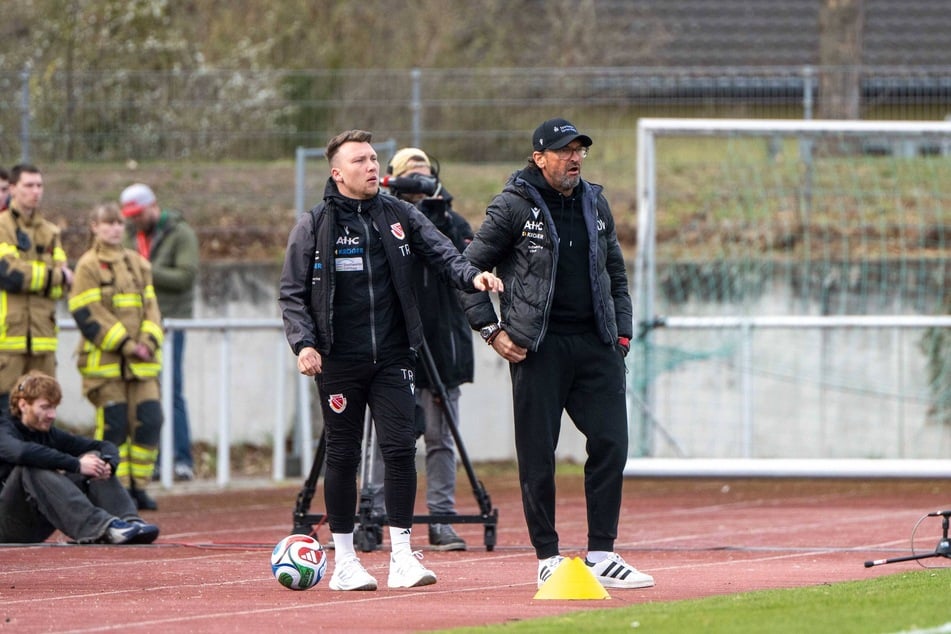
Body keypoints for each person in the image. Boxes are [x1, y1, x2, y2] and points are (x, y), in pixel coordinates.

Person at [279, 129, 503, 591]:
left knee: (401, 449)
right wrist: (304, 343)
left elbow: (444, 252)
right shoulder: (314, 224)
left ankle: (402, 555)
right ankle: (344, 563)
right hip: (339, 358)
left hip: (396, 356)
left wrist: (472, 275)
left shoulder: (398, 213)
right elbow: (292, 293)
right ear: (337, 172)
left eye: (373, 158)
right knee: (342, 455)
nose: (371, 165)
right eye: (359, 160)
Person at [460, 118, 654, 590]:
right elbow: (466, 270)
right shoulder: (512, 205)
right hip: (538, 348)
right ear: (539, 157)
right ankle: (546, 555)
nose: (575, 158)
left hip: (597, 346)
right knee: (538, 455)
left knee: (612, 443)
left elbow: (616, 276)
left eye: (580, 150)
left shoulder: (595, 201)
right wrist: (490, 330)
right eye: (566, 151)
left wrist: (621, 337)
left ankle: (602, 554)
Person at [370, 147, 474, 551]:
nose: (419, 181)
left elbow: (462, 265)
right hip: (395, 347)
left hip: (441, 348)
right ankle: (374, 515)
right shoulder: (379, 219)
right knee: (390, 439)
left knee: (440, 438)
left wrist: (434, 213)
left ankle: (441, 519)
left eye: (424, 174)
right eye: (409, 175)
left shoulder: (451, 221)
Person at [69, 203, 165, 513]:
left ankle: (140, 485)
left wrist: (149, 339)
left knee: (150, 420)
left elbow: (152, 307)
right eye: (107, 223)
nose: (114, 229)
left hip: (141, 364)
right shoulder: (87, 266)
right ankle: (114, 488)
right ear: (94, 227)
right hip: (106, 365)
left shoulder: (137, 263)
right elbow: (87, 312)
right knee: (114, 426)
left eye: (118, 224)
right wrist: (126, 344)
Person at [0, 371, 159, 544]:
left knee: (94, 457)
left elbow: (103, 446)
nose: (52, 415)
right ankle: (103, 528)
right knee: (29, 467)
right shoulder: (4, 428)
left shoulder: (49, 433)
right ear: (23, 405)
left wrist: (107, 463)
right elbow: (20, 452)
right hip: (5, 526)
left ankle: (129, 522)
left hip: (36, 525)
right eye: (45, 407)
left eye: (54, 407)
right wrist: (76, 464)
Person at [120, 183, 199, 486]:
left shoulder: (181, 234)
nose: (135, 220)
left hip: (171, 323)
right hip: (138, 325)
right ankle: (151, 461)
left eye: (138, 214)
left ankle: (182, 460)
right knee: (145, 392)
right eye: (131, 216)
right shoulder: (130, 233)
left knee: (172, 390)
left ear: (153, 205)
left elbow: (185, 276)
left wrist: (144, 268)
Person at [0, 164, 73, 416]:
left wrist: (41, 277)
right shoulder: (2, 226)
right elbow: (9, 275)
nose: (35, 192)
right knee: (6, 421)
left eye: (39, 185)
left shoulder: (51, 232)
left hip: (43, 342)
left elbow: (64, 286)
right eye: (28, 185)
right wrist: (52, 276)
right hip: (7, 344)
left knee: (41, 420)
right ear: (12, 189)